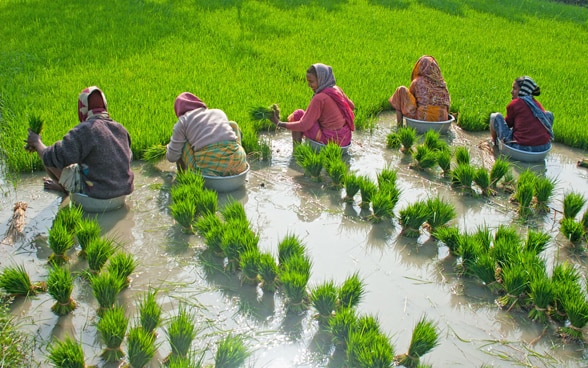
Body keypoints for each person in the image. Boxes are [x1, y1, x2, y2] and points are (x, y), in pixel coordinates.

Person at [26, 86, 134, 201]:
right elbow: (128, 158)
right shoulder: (121, 129)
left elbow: (52, 157)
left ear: (82, 109)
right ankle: (65, 186)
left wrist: (37, 143)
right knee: (82, 165)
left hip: (96, 198)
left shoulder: (85, 130)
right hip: (123, 195)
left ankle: (64, 189)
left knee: (49, 158)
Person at [269, 63, 355, 147]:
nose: (309, 85)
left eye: (311, 81)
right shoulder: (336, 89)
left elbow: (304, 125)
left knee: (298, 114)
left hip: (331, 142)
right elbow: (351, 106)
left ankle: (296, 152)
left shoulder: (319, 98)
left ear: (321, 79)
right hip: (345, 138)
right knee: (310, 116)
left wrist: (278, 123)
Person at [166, 92, 248, 176]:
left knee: (182, 143)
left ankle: (182, 176)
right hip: (239, 165)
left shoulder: (183, 121)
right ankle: (238, 156)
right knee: (232, 124)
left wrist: (169, 148)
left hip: (210, 170)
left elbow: (172, 157)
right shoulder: (218, 112)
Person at [489, 76, 554, 152]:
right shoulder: (536, 104)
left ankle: (495, 143)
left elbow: (508, 124)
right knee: (548, 114)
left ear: (522, 90)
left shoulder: (515, 104)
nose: (511, 91)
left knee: (495, 116)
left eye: (514, 88)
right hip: (543, 149)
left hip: (520, 149)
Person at [389, 55, 451, 127]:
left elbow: (411, 99)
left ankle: (399, 126)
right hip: (442, 121)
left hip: (422, 120)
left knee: (400, 90)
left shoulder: (417, 82)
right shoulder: (442, 83)